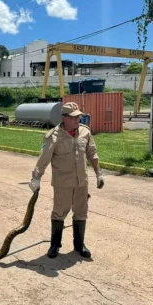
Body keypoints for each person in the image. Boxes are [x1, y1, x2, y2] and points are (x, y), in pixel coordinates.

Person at [29, 102, 104, 259]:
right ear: (64, 118)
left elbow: (92, 153)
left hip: (81, 182)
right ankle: (55, 245)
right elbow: (43, 159)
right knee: (59, 213)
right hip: (62, 183)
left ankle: (79, 245)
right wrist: (36, 178)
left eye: (79, 117)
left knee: (81, 213)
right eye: (74, 117)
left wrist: (98, 173)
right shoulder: (53, 136)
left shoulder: (85, 133)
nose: (78, 120)